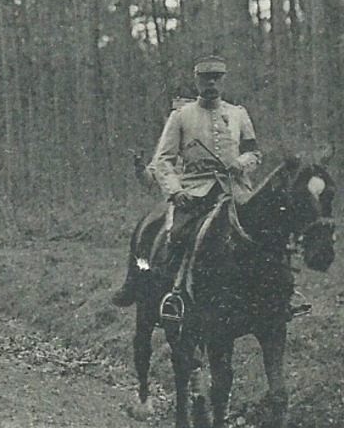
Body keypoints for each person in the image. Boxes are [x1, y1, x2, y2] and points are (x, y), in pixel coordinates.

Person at [112, 53, 261, 315]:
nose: (211, 84)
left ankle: (272, 297)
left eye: (216, 78)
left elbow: (254, 153)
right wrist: (176, 192)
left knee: (263, 234)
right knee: (179, 236)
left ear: (223, 80)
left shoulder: (238, 114)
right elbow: (163, 161)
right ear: (197, 80)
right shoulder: (181, 116)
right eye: (205, 78)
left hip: (235, 190)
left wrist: (240, 164)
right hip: (195, 191)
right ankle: (175, 294)